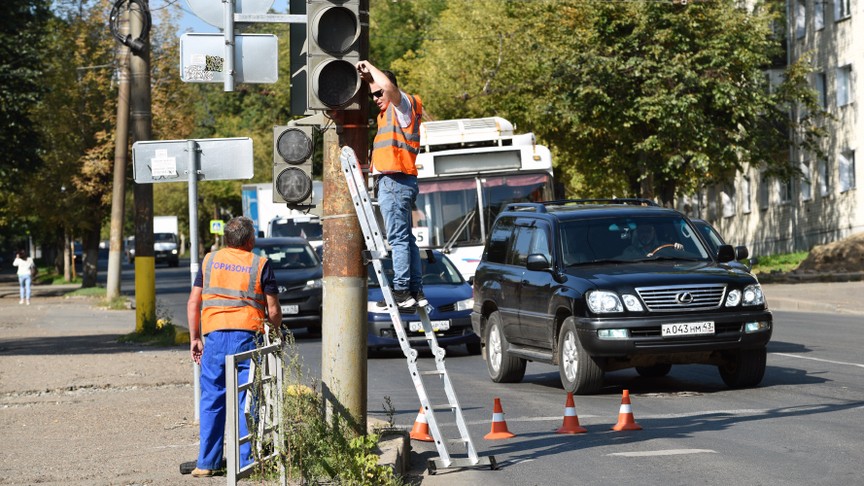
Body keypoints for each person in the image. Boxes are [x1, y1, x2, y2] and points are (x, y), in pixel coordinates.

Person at [186, 216, 282, 478]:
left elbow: (194, 302)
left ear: (227, 240)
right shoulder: (260, 263)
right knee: (247, 400)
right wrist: (276, 333)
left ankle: (206, 463)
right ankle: (245, 462)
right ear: (250, 240)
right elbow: (272, 309)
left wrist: (195, 337)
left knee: (212, 399)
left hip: (214, 337)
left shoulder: (209, 261)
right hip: (247, 338)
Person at [356, 59, 426, 308]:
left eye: (378, 93)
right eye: (372, 95)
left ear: (391, 89)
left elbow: (388, 87)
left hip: (395, 182)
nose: (375, 98)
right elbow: (382, 87)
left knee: (398, 239)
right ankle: (415, 290)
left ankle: (402, 290)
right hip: (399, 181)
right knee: (405, 238)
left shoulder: (402, 107)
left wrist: (369, 67)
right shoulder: (389, 114)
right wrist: (370, 81)